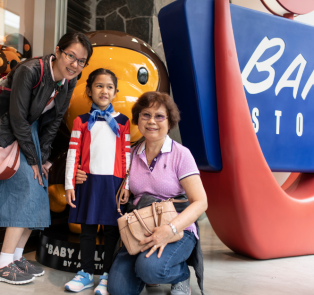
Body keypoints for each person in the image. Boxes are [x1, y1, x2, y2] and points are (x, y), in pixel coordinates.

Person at [75, 91, 208, 295]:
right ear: (138, 119)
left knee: (151, 269)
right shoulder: (131, 153)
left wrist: (169, 229)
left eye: (159, 116)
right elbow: (102, 164)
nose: (152, 121)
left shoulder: (181, 154)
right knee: (118, 289)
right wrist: (79, 173)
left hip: (177, 229)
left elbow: (200, 202)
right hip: (140, 229)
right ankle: (148, 269)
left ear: (170, 121)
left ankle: (180, 275)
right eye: (146, 115)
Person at [0, 32, 93, 285]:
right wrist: (33, 160)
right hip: (8, 128)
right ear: (57, 51)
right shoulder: (29, 70)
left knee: (40, 191)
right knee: (26, 189)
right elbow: (17, 117)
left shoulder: (70, 80)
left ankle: (17, 257)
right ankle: (3, 262)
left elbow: (53, 124)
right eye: (70, 56)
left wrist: (46, 160)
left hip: (30, 132)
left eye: (81, 61)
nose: (75, 64)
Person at [64, 68, 130, 295]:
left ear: (115, 92)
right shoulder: (80, 121)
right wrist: (70, 182)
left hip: (115, 183)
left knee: (112, 231)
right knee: (88, 230)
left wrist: (127, 185)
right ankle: (86, 273)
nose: (104, 90)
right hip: (88, 183)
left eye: (109, 86)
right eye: (99, 85)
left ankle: (107, 275)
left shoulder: (123, 121)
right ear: (89, 90)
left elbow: (126, 155)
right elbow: (73, 153)